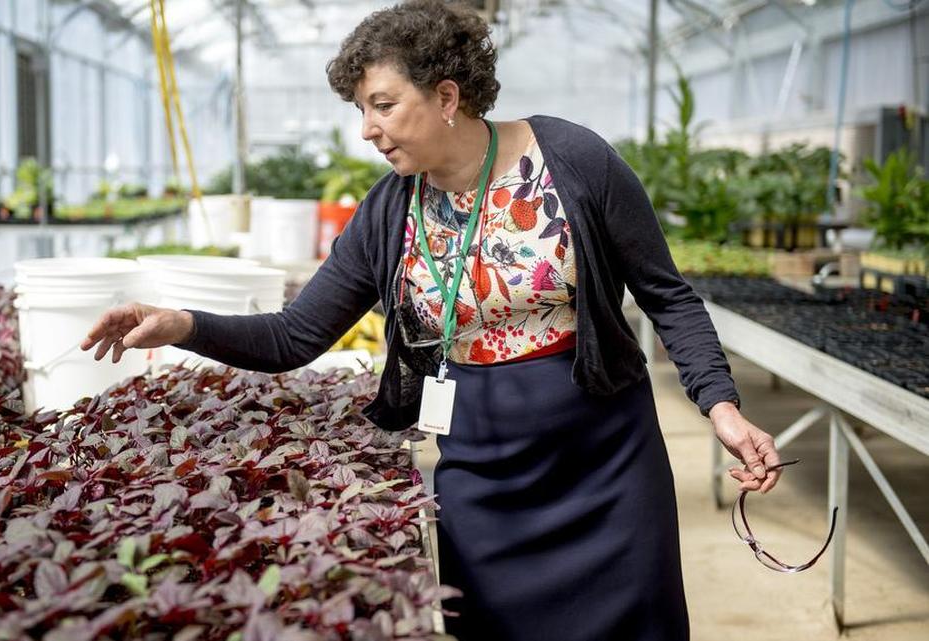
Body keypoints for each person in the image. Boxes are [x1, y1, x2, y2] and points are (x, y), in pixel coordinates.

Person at [81, 1, 782, 638]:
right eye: (362, 109)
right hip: (481, 481)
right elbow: (294, 335)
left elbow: (668, 296)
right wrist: (183, 323)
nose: (368, 130)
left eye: (383, 105)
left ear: (447, 96)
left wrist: (719, 404)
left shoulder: (574, 162)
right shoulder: (390, 209)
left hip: (607, 467)